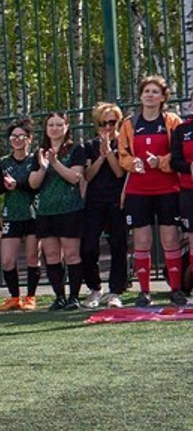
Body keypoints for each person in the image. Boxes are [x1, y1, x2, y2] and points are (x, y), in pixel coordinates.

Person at [117, 74, 183, 306]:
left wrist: (162, 161)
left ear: (163, 97)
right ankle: (144, 292)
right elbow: (122, 154)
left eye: (155, 92)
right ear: (141, 95)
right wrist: (131, 164)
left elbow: (179, 153)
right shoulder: (129, 123)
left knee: (170, 239)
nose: (150, 95)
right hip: (138, 189)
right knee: (142, 241)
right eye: (147, 91)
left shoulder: (172, 121)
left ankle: (176, 289)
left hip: (168, 187)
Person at [29, 112, 87, 310]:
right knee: (52, 255)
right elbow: (33, 183)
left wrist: (55, 162)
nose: (54, 128)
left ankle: (74, 297)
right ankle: (59, 296)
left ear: (66, 127)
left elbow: (74, 177)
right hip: (46, 210)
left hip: (70, 208)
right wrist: (44, 167)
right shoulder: (40, 152)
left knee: (72, 254)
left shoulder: (76, 149)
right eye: (51, 125)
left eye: (59, 124)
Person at [82, 102, 129, 309]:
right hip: (95, 200)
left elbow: (120, 173)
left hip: (117, 199)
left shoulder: (124, 143)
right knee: (89, 246)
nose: (107, 127)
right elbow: (88, 175)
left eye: (111, 122)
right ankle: (95, 288)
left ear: (118, 122)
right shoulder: (89, 146)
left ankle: (116, 291)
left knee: (118, 245)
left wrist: (110, 152)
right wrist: (101, 156)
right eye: (103, 123)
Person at [0, 117, 42, 311]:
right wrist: (4, 185)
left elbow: (36, 185)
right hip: (12, 214)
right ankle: (14, 297)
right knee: (7, 259)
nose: (17, 140)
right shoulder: (4, 162)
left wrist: (19, 185)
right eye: (13, 136)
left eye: (21, 136)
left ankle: (31, 297)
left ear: (29, 138)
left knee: (32, 257)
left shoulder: (36, 159)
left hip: (32, 213)